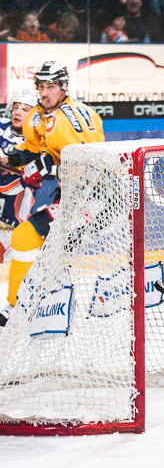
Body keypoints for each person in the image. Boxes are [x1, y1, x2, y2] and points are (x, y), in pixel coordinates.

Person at [0, 61, 105, 326]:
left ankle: (22, 308)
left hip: (95, 197)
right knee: (38, 244)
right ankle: (40, 307)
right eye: (41, 86)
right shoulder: (37, 115)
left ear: (64, 87)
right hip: (69, 196)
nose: (45, 93)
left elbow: (93, 166)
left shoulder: (78, 118)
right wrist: (13, 158)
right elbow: (31, 150)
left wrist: (50, 169)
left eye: (51, 87)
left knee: (30, 238)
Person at [0, 89, 40, 263]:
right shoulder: (1, 125)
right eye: (16, 107)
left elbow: (11, 186)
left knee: (9, 263)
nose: (17, 112)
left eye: (24, 109)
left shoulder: (36, 142)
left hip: (12, 220)